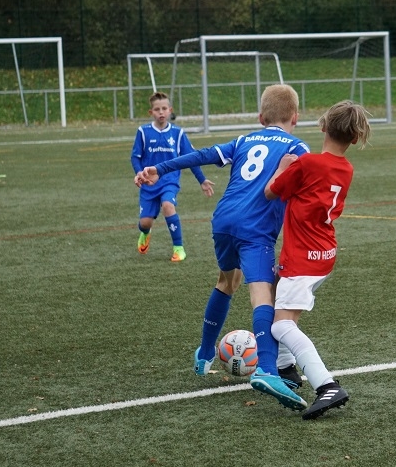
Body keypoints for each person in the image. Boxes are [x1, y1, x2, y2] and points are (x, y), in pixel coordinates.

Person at [134, 84, 310, 410]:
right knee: (263, 294)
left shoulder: (243, 140)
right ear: (295, 118)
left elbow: (202, 154)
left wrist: (159, 168)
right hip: (255, 227)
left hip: (223, 220)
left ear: (260, 117)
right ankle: (267, 369)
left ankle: (204, 353)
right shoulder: (297, 147)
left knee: (228, 281)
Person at [265, 100, 372, 420]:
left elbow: (271, 191)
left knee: (282, 324)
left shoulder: (308, 163)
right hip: (324, 253)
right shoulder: (346, 168)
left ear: (323, 126)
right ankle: (287, 368)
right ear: (355, 138)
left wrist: (283, 167)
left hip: (303, 257)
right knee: (279, 299)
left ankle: (326, 385)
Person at [131, 92, 215, 262]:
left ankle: (178, 248)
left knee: (168, 206)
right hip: (148, 183)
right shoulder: (143, 132)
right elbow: (135, 157)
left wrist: (202, 180)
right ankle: (145, 232)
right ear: (151, 112)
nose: (161, 112)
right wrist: (139, 172)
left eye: (164, 108)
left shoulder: (177, 133)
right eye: (157, 109)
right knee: (145, 223)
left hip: (169, 181)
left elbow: (191, 158)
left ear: (170, 110)